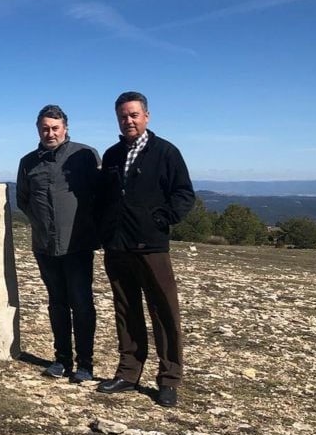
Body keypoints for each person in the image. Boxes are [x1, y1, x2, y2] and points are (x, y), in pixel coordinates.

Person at [95, 91, 194, 407]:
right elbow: (103, 198)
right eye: (123, 116)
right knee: (126, 310)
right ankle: (128, 373)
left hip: (151, 245)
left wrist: (161, 219)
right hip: (117, 245)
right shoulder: (111, 155)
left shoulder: (166, 152)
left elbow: (183, 194)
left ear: (146, 116)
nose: (129, 121)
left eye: (134, 115)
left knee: (164, 311)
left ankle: (168, 379)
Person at [16, 105, 101, 383]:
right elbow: (23, 200)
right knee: (57, 304)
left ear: (65, 127)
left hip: (77, 245)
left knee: (82, 304)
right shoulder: (28, 162)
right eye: (45, 128)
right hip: (45, 246)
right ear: (38, 130)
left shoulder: (85, 155)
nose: (50, 133)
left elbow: (97, 196)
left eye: (55, 128)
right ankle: (61, 359)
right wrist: (42, 224)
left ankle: (85, 364)